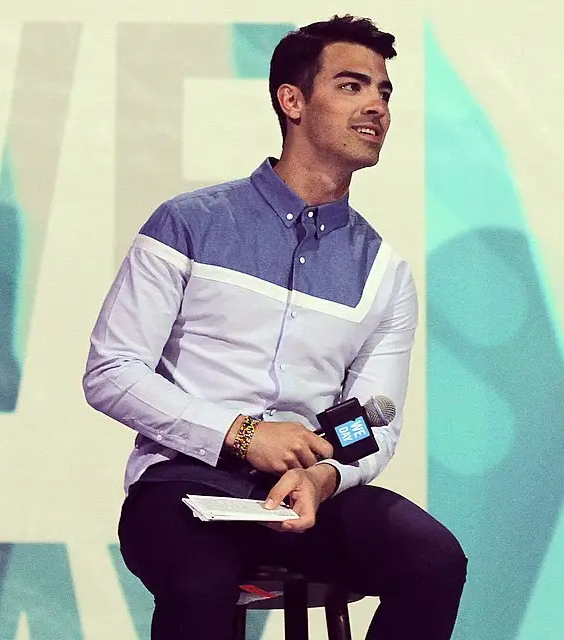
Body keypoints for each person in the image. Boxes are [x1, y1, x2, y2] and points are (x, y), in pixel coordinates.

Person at [83, 14, 467, 640]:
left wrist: (323, 475)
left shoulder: (384, 273)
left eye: (383, 91)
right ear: (293, 100)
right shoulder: (188, 224)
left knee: (433, 560)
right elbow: (111, 372)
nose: (376, 106)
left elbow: (372, 422)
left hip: (306, 497)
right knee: (200, 584)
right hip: (183, 485)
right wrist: (240, 434)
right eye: (351, 86)